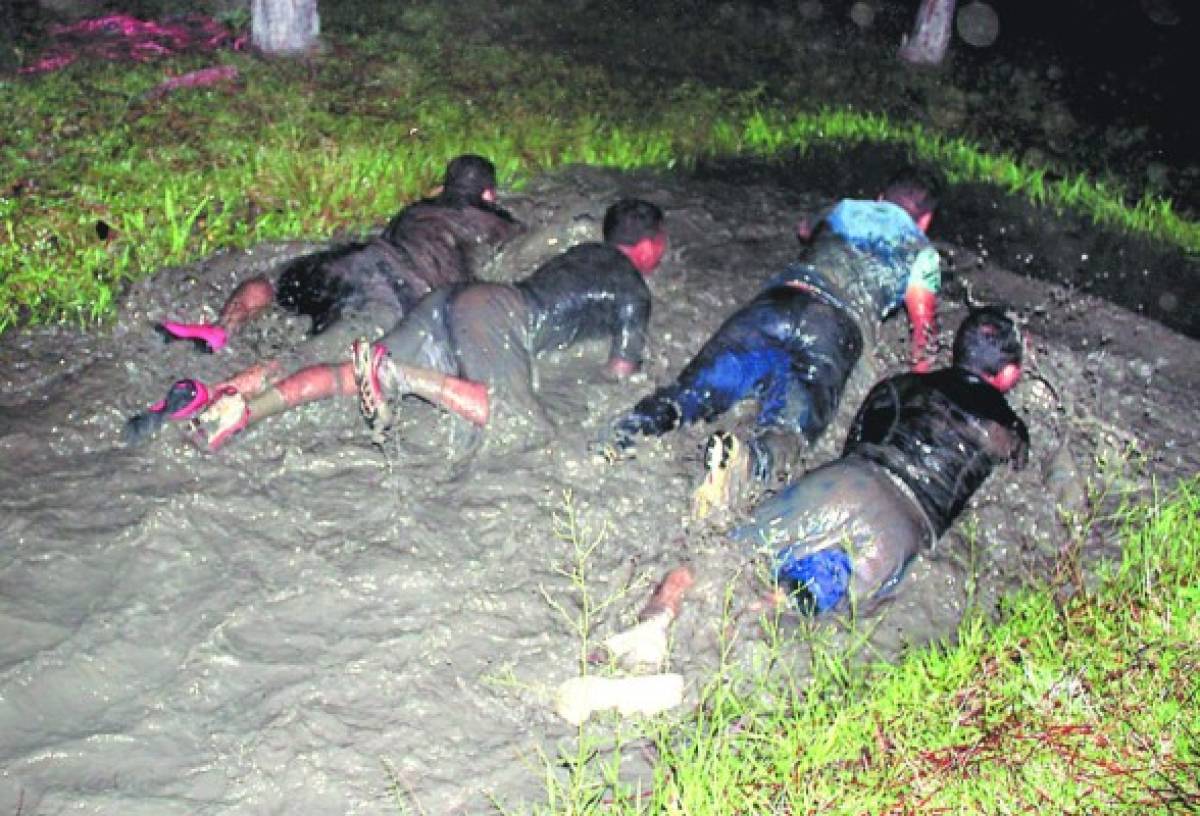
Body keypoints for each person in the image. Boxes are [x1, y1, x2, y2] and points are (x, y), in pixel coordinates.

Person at [186, 198, 667, 450]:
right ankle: (397, 375)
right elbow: (619, 375)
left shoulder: (581, 251)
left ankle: (244, 411)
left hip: (457, 299)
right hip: (498, 316)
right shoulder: (633, 292)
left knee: (343, 376)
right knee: (517, 421)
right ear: (648, 246)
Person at [605, 169, 942, 520]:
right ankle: (747, 463)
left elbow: (804, 230)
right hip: (833, 330)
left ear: (881, 198)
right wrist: (920, 381)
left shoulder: (845, 208)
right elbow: (923, 330)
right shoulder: (921, 251)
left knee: (693, 391)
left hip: (777, 303)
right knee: (789, 430)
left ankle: (630, 430)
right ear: (927, 219)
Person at [125, 153, 522, 445]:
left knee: (273, 281)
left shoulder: (417, 208)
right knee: (317, 356)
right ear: (488, 193)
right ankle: (215, 395)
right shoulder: (498, 222)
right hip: (399, 289)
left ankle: (220, 330)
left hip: (357, 259)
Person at [732, 306, 1029, 615]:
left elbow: (854, 444)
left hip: (846, 480)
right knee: (802, 605)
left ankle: (678, 589)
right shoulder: (1009, 430)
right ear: (1009, 373)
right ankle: (787, 594)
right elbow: (1013, 489)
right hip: (904, 524)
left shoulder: (896, 384)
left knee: (731, 552)